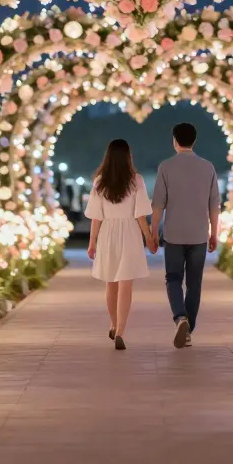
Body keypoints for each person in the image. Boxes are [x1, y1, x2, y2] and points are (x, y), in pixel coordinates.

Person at [150, 122, 219, 349]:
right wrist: (214, 233)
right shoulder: (208, 167)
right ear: (194, 141)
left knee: (173, 279)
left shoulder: (166, 167)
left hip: (173, 235)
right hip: (199, 234)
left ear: (174, 140)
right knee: (194, 283)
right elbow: (214, 205)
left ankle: (180, 317)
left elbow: (158, 203)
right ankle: (188, 329)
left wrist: (153, 231)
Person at [85, 139, 152, 350]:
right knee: (126, 284)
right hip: (130, 233)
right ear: (128, 157)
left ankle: (113, 324)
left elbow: (96, 217)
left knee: (110, 283)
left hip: (107, 233)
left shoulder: (99, 182)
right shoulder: (136, 181)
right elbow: (141, 215)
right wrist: (149, 238)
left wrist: (92, 242)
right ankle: (121, 330)